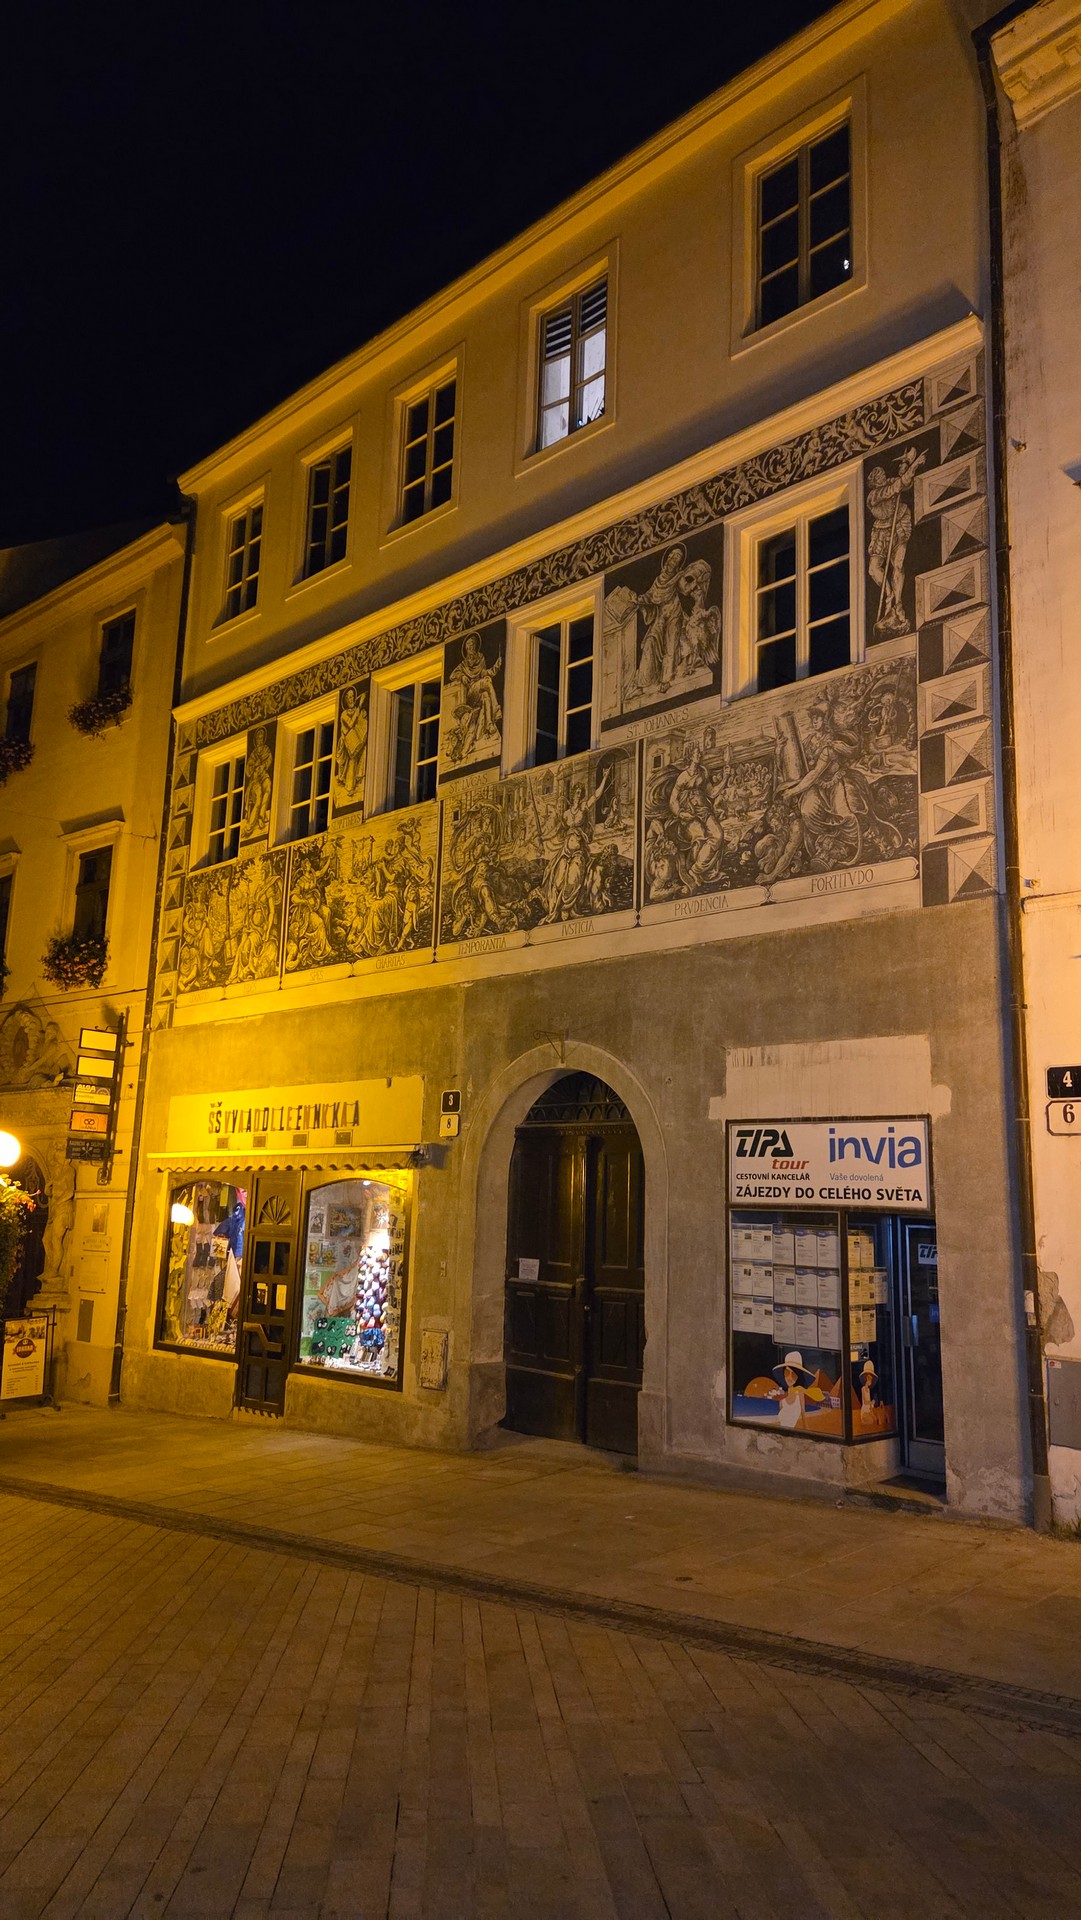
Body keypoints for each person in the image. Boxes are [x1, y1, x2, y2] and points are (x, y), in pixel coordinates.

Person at [769, 1350, 827, 1429]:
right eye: (787, 1373)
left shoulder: (799, 1393)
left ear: (798, 1377)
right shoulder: (783, 1397)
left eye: (793, 1374)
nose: (789, 1378)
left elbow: (803, 1414)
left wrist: (806, 1428)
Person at [335, 685, 367, 804]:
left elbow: (360, 721)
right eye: (348, 697)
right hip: (347, 742)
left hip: (355, 739)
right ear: (345, 700)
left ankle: (359, 777)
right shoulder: (344, 714)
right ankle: (349, 787)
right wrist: (360, 706)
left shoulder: (357, 711)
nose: (350, 699)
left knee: (363, 751)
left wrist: (362, 714)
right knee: (351, 760)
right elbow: (350, 723)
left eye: (352, 696)